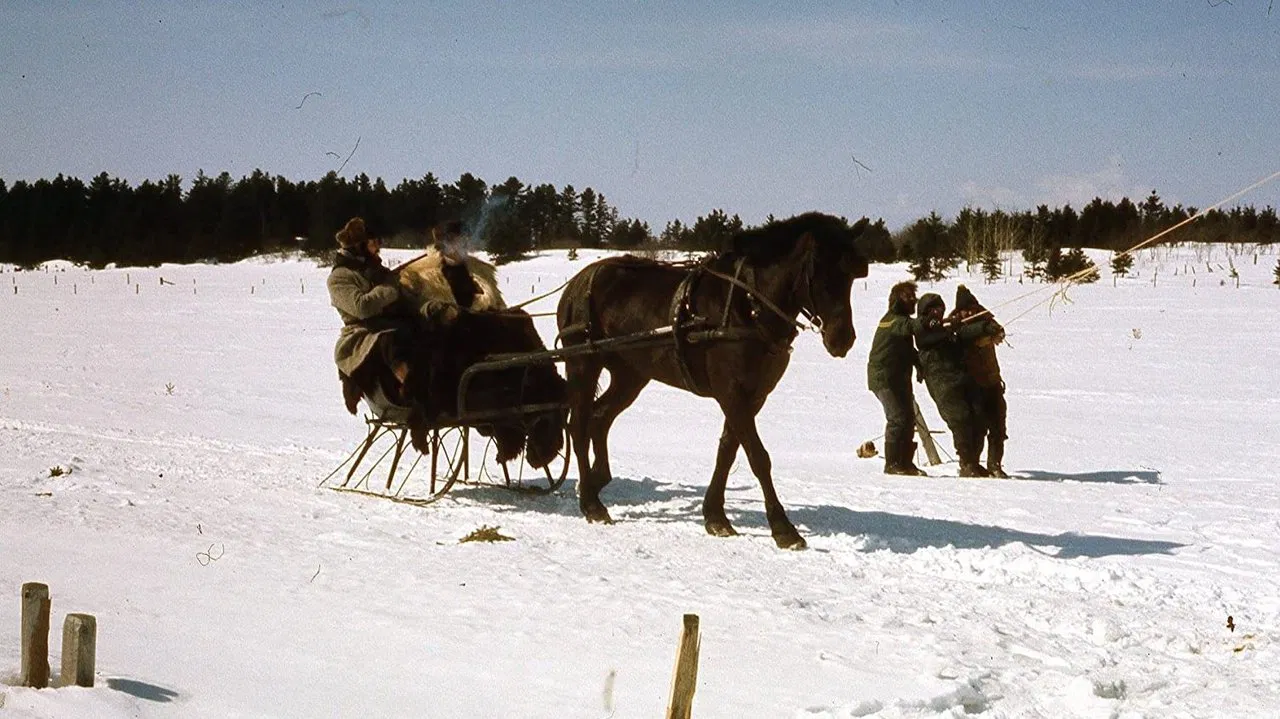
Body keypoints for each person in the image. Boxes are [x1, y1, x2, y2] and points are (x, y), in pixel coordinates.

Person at [326, 217, 417, 414]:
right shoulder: (339, 277)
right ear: (359, 245)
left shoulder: (374, 270)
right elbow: (362, 307)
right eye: (374, 242)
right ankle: (412, 388)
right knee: (391, 340)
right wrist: (390, 289)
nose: (378, 247)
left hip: (387, 323)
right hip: (361, 334)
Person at [914, 292, 990, 477]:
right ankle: (966, 463)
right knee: (960, 419)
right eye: (933, 308)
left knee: (980, 416)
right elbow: (929, 336)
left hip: (961, 378)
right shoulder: (922, 327)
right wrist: (948, 328)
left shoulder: (946, 327)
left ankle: (973, 461)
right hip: (942, 383)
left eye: (940, 308)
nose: (938, 312)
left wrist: (985, 327)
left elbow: (964, 333)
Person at [948, 285, 1008, 478]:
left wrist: (995, 332)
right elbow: (964, 335)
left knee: (998, 426)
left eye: (972, 309)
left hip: (993, 382)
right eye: (966, 310)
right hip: (973, 385)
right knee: (978, 427)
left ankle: (994, 465)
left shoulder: (985, 319)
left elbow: (998, 331)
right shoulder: (957, 325)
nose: (969, 312)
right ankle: (971, 464)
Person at [866, 281, 926, 475]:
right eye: (909, 297)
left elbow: (908, 349)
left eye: (914, 297)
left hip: (898, 379)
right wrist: (929, 321)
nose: (913, 301)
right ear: (898, 299)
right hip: (884, 379)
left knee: (908, 418)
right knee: (897, 418)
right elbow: (909, 327)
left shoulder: (900, 321)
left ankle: (905, 462)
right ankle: (892, 464)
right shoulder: (892, 320)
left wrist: (918, 365)